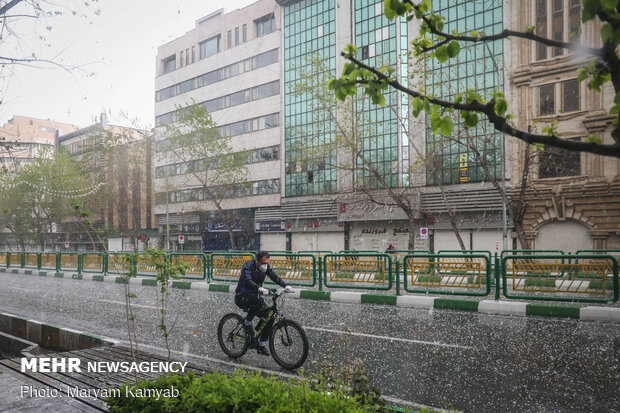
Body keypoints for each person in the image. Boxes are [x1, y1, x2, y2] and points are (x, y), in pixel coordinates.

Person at [234, 251, 292, 356]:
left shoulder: (266, 267)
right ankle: (247, 323)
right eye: (263, 262)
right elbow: (247, 280)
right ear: (257, 260)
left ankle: (261, 345)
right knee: (258, 300)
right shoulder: (248, 266)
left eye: (267, 262)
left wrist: (285, 286)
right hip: (242, 296)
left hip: (255, 296)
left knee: (270, 316)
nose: (265, 265)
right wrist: (259, 288)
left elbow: (274, 276)